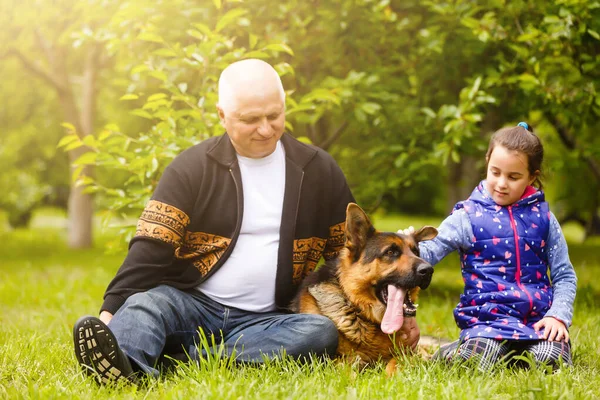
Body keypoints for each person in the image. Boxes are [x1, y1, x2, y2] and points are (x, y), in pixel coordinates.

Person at [73, 59, 420, 384]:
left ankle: (185, 360)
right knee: (146, 306)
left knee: (318, 333)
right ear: (222, 115)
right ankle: (123, 363)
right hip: (190, 304)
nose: (265, 129)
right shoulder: (190, 168)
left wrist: (400, 312)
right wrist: (109, 316)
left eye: (274, 115)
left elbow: (346, 259)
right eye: (250, 119)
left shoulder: (319, 171)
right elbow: (148, 252)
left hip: (270, 318)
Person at [402, 122, 577, 371]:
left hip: (538, 324)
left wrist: (557, 315)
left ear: (532, 176)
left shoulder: (545, 218)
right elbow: (430, 253)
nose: (502, 183)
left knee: (552, 362)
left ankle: (521, 355)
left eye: (513, 177)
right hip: (486, 323)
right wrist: (407, 245)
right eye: (495, 172)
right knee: (473, 364)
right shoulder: (467, 215)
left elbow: (564, 275)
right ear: (487, 162)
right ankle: (455, 352)